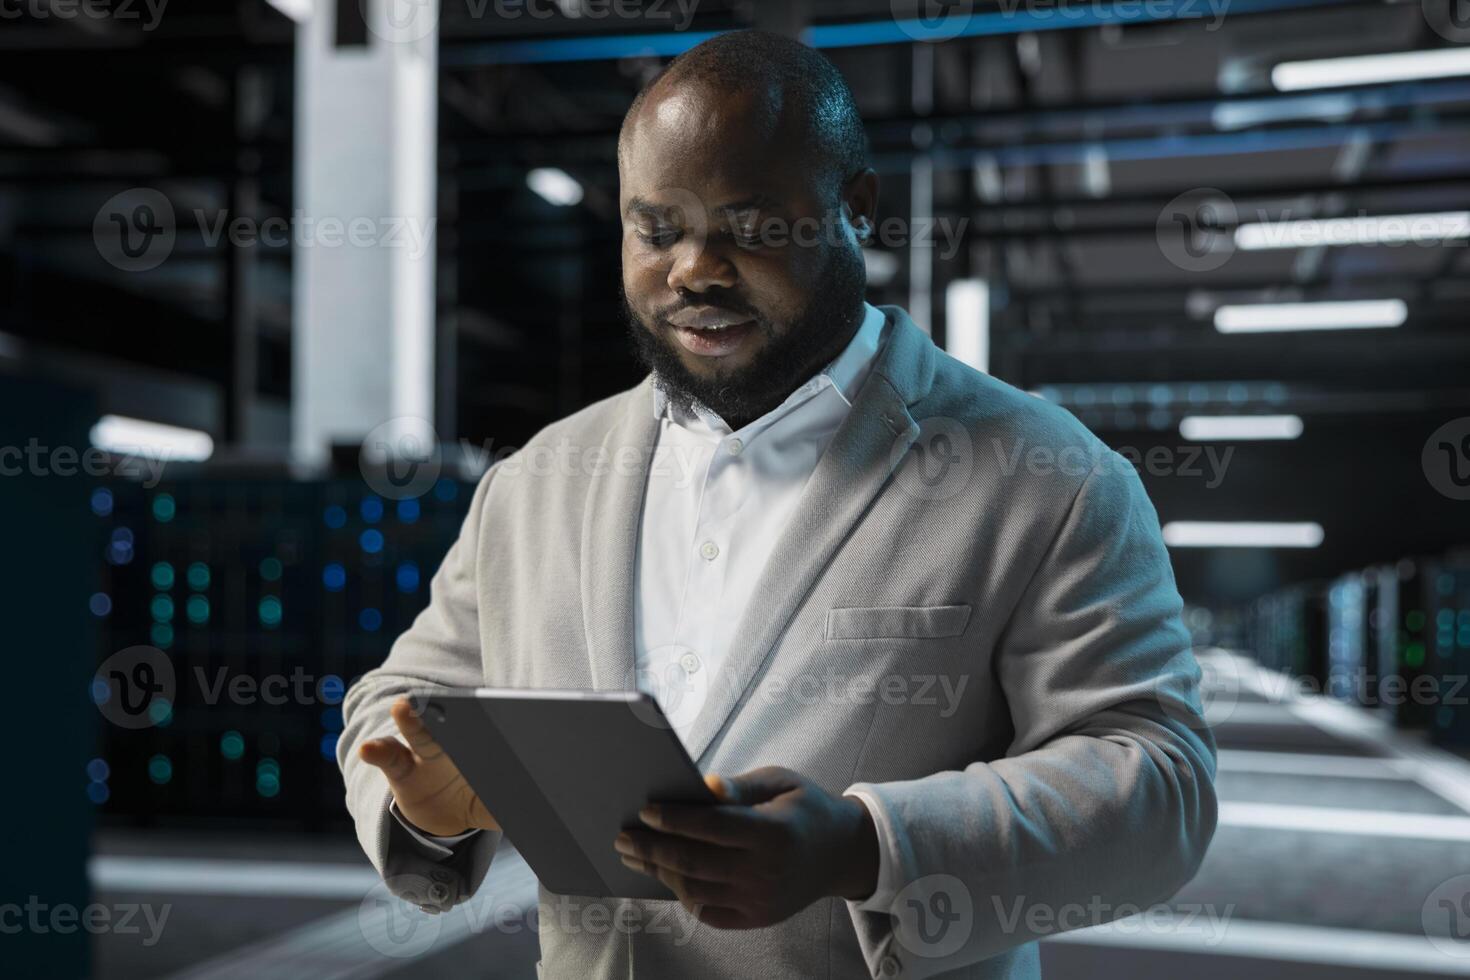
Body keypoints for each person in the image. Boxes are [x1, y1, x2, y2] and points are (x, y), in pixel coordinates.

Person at [340, 29, 1217, 980]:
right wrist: (413, 800)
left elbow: (1156, 782)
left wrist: (866, 846)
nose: (695, 271)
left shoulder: (1044, 476)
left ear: (858, 211)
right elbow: (396, 701)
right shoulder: (538, 482)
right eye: (656, 229)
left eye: (751, 226)